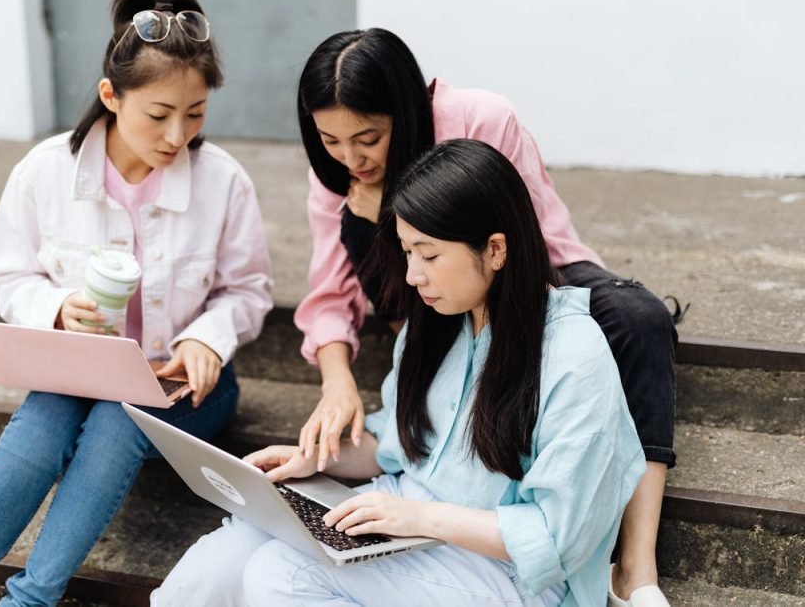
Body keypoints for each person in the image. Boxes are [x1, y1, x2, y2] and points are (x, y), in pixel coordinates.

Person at [153, 138, 646, 606]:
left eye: (429, 255)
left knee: (283, 574)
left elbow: (555, 540)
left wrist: (422, 518)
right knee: (213, 569)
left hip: (510, 573)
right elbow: (396, 442)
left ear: (495, 250)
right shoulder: (436, 324)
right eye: (407, 251)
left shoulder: (573, 357)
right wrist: (315, 460)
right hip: (404, 516)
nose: (413, 275)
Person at [292, 29, 676, 607]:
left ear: (405, 111)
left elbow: (521, 237)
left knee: (639, 320)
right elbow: (329, 294)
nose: (351, 158)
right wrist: (336, 383)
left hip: (528, 266)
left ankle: (636, 566)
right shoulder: (344, 178)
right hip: (433, 300)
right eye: (330, 141)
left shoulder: (481, 118)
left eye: (367, 138)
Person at [0, 0, 273, 606]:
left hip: (182, 382)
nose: (178, 135)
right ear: (111, 95)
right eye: (159, 114)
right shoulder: (44, 171)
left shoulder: (223, 180)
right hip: (79, 371)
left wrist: (207, 338)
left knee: (122, 417)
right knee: (42, 418)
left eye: (195, 113)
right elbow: (9, 274)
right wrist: (56, 309)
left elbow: (248, 291)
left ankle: (31, 599)